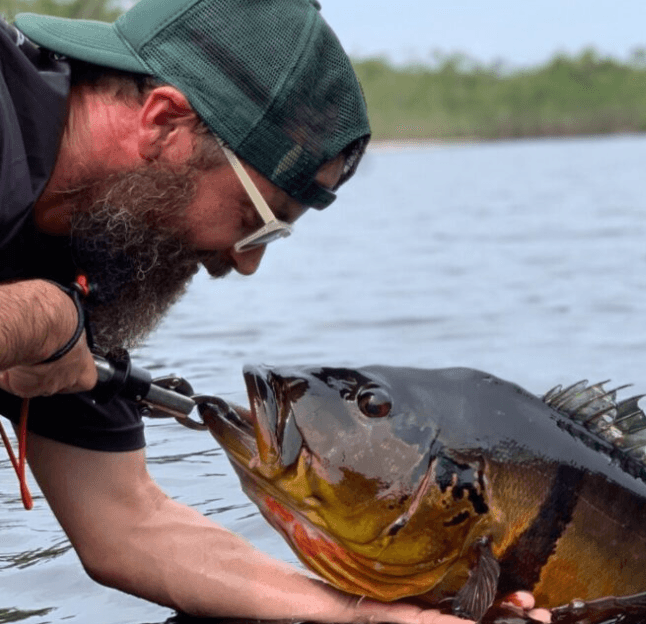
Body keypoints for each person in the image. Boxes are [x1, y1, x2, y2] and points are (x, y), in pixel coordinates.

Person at [0, 1, 546, 622]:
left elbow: (129, 524)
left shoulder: (94, 250)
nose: (246, 263)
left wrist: (369, 616)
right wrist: (37, 319)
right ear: (164, 123)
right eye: (256, 221)